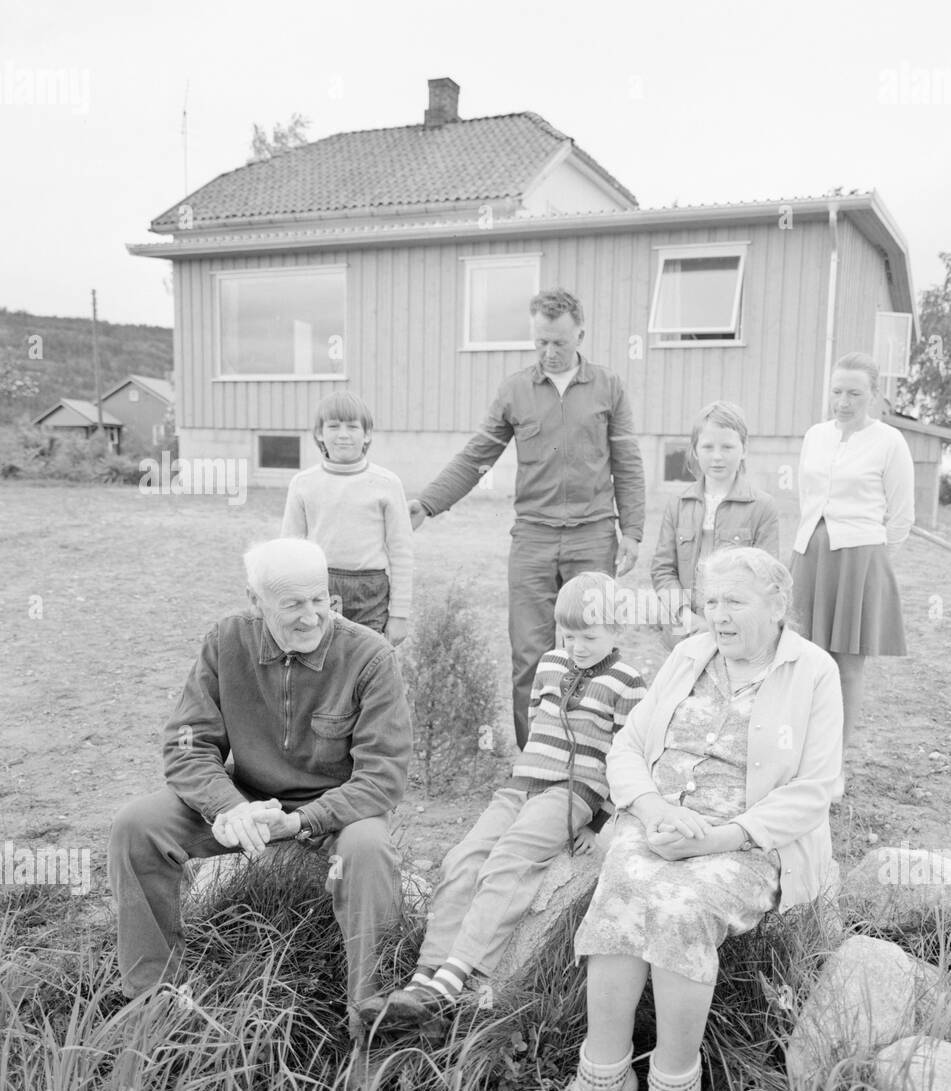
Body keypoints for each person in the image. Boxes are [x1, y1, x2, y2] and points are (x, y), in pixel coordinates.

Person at [516, 549, 842, 1091]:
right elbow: (630, 745)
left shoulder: (813, 672)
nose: (717, 615)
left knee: (681, 904)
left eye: (735, 602)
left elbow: (816, 788)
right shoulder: (690, 654)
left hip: (747, 841)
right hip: (663, 823)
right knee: (623, 884)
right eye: (711, 600)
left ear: (778, 605)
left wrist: (717, 837)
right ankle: (602, 1076)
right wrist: (649, 807)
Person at [107, 538, 413, 1043]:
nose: (312, 617)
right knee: (136, 826)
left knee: (369, 848)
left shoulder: (370, 656)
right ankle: (152, 1001)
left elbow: (382, 778)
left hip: (334, 814)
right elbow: (187, 745)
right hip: (245, 803)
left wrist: (301, 821)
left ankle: (373, 1024)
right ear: (256, 602)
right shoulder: (226, 640)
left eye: (320, 600)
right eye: (292, 605)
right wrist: (231, 808)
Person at [359, 573, 647, 1032]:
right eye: (568, 635)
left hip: (574, 791)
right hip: (523, 782)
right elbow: (534, 723)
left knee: (508, 863)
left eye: (589, 637)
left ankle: (457, 976)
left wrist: (600, 821)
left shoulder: (628, 682)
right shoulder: (551, 664)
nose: (576, 646)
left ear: (618, 631)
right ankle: (423, 978)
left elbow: (629, 753)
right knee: (464, 858)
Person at [409, 288, 646, 749]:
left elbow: (628, 461)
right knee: (530, 654)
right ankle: (534, 755)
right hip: (533, 538)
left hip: (593, 535)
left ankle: (595, 752)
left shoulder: (608, 387)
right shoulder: (515, 390)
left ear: (580, 333)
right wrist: (430, 502)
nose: (549, 352)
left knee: (594, 646)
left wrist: (632, 531)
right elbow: (479, 455)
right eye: (540, 342)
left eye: (559, 342)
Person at [789, 352, 914, 758]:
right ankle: (797, 750)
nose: (843, 402)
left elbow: (900, 516)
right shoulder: (816, 435)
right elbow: (806, 497)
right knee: (801, 658)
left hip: (859, 559)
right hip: (810, 556)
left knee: (846, 666)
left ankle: (833, 760)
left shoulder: (889, 442)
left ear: (875, 395)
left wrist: (868, 560)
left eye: (855, 393)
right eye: (837, 391)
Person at [281, 391, 414, 645]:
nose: (343, 434)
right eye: (333, 426)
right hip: (318, 588)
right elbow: (290, 549)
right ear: (320, 433)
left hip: (371, 592)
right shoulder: (303, 483)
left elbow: (401, 551)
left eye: (352, 427)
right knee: (321, 663)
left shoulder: (387, 483)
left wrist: (399, 615)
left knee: (367, 666)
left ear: (367, 435)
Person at [650, 401, 780, 648]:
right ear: (695, 450)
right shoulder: (678, 505)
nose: (717, 456)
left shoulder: (762, 507)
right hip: (685, 630)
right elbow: (662, 570)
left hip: (736, 630)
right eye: (708, 447)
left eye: (728, 447)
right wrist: (685, 615)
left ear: (744, 449)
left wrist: (724, 617)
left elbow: (764, 575)